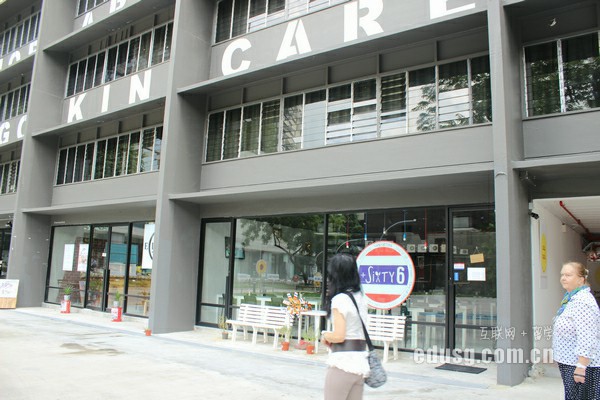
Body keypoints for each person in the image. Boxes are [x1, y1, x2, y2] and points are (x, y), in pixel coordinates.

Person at [321, 253, 370, 400]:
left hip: (343, 364)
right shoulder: (361, 299)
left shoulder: (340, 300)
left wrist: (325, 335)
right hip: (360, 364)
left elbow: (339, 336)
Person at [552, 261, 600, 399]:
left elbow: (587, 336)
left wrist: (581, 367)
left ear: (581, 279)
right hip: (570, 362)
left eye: (568, 275)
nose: (563, 278)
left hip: (581, 366)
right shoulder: (572, 298)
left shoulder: (582, 301)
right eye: (562, 275)